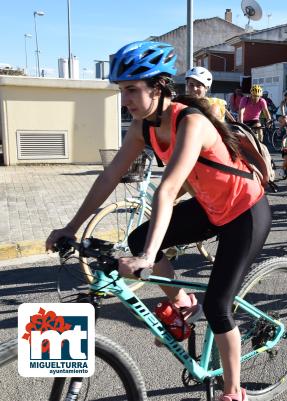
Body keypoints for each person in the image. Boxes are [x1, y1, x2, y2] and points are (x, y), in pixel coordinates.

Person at [45, 41, 271, 401]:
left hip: (246, 211)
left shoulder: (191, 122)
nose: (126, 100)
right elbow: (109, 177)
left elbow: (167, 189)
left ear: (159, 87)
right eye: (122, 91)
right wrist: (71, 228)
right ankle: (183, 303)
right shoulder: (142, 127)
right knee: (137, 239)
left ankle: (233, 390)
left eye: (132, 90)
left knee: (217, 306)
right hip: (212, 207)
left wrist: (149, 259)